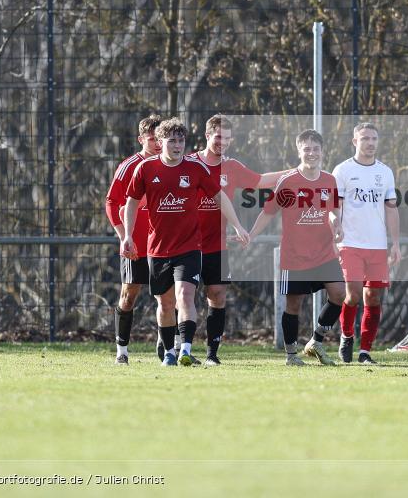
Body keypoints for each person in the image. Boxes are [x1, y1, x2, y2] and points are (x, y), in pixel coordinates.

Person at [121, 118, 249, 367]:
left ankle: (185, 350)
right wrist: (127, 234)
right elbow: (131, 202)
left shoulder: (195, 169)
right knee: (165, 303)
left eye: (181, 141)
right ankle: (169, 352)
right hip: (157, 249)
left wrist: (237, 225)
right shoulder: (145, 169)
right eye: (172, 141)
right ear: (160, 142)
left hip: (190, 247)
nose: (178, 146)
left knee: (185, 296)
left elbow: (220, 197)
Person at [189, 115, 285, 366]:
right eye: (219, 137)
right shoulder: (189, 163)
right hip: (186, 243)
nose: (224, 142)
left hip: (217, 244)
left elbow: (261, 181)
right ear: (207, 135)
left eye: (228, 139)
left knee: (217, 294)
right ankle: (178, 347)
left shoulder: (231, 167)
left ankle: (211, 354)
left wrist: (295, 172)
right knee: (183, 296)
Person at [248, 129, 345, 366]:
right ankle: (291, 355)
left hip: (324, 252)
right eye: (307, 149)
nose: (311, 153)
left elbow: (333, 210)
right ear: (299, 151)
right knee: (294, 304)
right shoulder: (288, 181)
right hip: (295, 255)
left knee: (339, 294)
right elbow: (268, 213)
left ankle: (316, 342)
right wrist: (250, 235)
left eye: (316, 149)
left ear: (322, 152)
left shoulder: (329, 180)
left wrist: (337, 223)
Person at [332, 122, 401, 365]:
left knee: (373, 297)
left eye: (373, 139)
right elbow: (334, 206)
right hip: (350, 243)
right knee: (351, 295)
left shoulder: (385, 172)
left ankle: (365, 352)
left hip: (378, 246)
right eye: (365, 139)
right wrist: (336, 228)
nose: (370, 143)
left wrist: (395, 243)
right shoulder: (342, 170)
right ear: (355, 142)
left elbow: (391, 210)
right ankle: (347, 335)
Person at [104, 115, 162, 365]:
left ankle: (168, 345)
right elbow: (111, 202)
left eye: (160, 138)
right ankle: (122, 351)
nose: (158, 144)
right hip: (136, 243)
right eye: (152, 139)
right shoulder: (129, 166)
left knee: (168, 296)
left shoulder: (170, 163)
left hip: (162, 242)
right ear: (141, 140)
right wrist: (123, 236)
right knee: (129, 294)